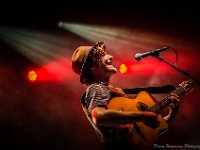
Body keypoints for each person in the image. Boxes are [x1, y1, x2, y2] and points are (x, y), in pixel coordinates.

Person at [71, 41, 180, 150]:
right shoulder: (96, 88)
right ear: (93, 65)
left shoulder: (111, 92)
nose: (111, 56)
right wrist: (144, 116)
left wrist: (170, 117)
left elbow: (143, 132)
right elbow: (99, 116)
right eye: (103, 55)